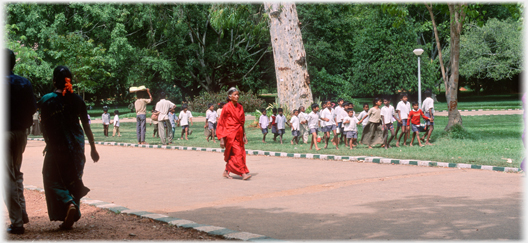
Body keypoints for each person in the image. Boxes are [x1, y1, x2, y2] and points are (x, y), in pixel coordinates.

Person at [38, 66, 100, 230]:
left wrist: (48, 144)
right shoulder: (78, 100)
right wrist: (93, 148)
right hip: (77, 149)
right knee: (74, 179)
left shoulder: (46, 100)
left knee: (51, 179)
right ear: (70, 81)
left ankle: (68, 203)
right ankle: (70, 215)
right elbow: (86, 127)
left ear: (54, 81)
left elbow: (44, 127)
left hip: (57, 148)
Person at [6, 49, 37, 234]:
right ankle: (22, 213)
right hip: (21, 134)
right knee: (16, 173)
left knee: (7, 177)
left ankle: (17, 223)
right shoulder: (24, 83)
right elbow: (32, 109)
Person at [217, 87, 251, 180]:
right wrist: (222, 139)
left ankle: (226, 171)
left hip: (239, 135)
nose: (237, 96)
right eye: (235, 95)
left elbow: (242, 122)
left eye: (238, 94)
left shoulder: (240, 107)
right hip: (229, 134)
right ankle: (243, 173)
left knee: (235, 154)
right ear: (230, 96)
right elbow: (221, 123)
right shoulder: (226, 107)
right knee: (238, 153)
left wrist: (244, 135)